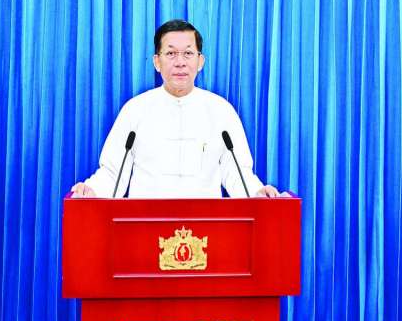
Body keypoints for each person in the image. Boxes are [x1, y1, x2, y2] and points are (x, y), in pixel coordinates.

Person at [71, 20, 280, 199]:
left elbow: (237, 173)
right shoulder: (135, 110)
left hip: (205, 227)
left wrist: (257, 192)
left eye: (188, 53)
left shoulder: (221, 111)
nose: (180, 62)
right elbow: (112, 172)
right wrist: (92, 190)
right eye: (171, 53)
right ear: (156, 61)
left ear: (200, 61)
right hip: (145, 225)